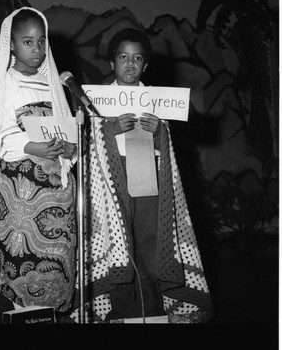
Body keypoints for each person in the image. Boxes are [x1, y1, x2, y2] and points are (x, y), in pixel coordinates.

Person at [69, 27, 213, 323]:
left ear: (145, 65)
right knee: (119, 243)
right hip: (111, 179)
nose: (130, 64)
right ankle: (120, 311)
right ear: (112, 63)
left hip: (147, 169)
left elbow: (169, 143)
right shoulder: (96, 99)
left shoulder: (157, 99)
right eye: (123, 57)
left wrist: (160, 132)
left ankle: (153, 311)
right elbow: (84, 140)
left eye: (137, 58)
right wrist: (109, 129)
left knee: (149, 242)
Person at [0, 7, 78, 316]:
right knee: (22, 259)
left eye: (41, 41)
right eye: (28, 41)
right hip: (22, 187)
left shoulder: (57, 85)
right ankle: (25, 316)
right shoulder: (6, 83)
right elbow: (0, 132)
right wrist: (34, 146)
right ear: (12, 45)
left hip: (56, 190)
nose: (37, 49)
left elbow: (68, 131)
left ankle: (52, 316)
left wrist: (69, 148)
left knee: (56, 259)